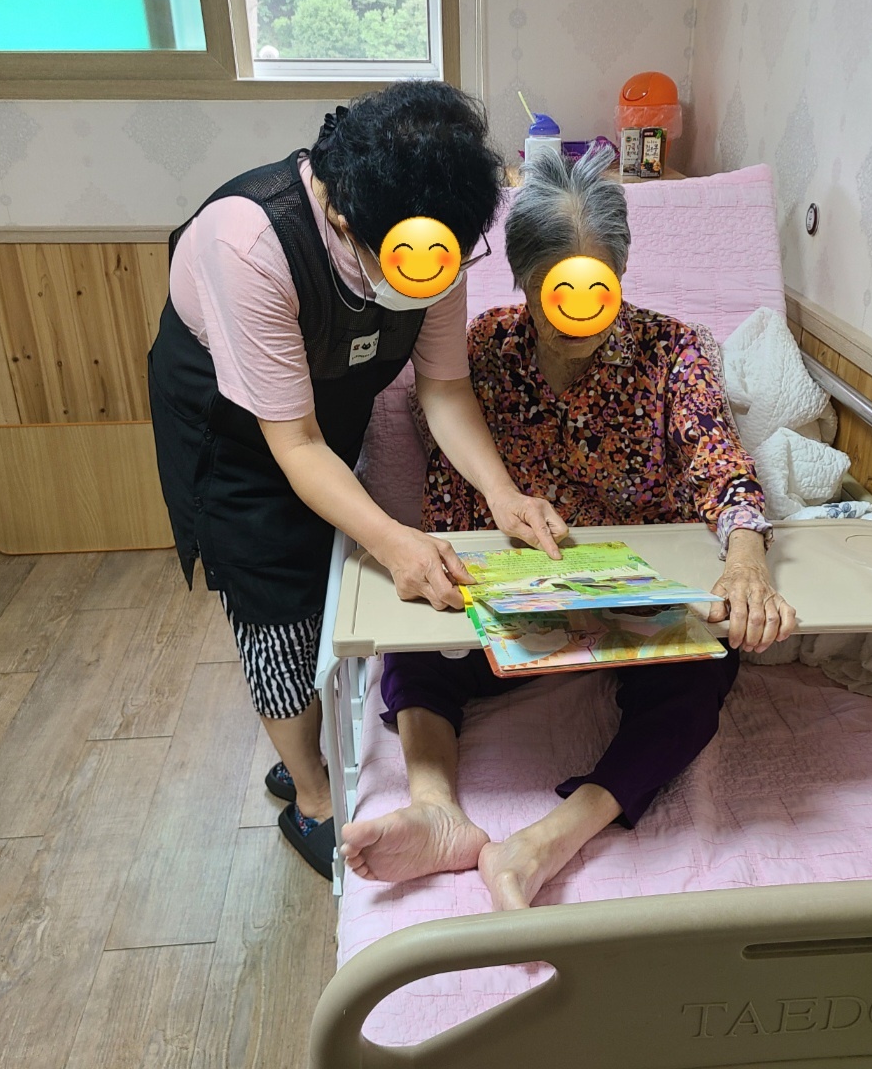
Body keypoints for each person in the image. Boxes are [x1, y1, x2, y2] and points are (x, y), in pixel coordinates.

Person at [340, 146, 797, 908]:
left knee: (703, 671)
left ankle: (545, 842)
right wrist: (464, 585)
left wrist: (746, 560)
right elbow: (454, 489)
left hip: (633, 599)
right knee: (415, 653)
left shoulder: (674, 351)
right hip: (521, 592)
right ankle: (435, 810)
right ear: (523, 281)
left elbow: (722, 467)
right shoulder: (481, 351)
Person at [147, 80, 568, 880]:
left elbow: (443, 388)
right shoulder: (249, 243)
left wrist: (502, 493)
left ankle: (304, 751)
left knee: (336, 572)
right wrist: (393, 539)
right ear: (343, 215)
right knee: (276, 599)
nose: (434, 276)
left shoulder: (431, 242)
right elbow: (296, 443)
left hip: (320, 406)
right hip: (228, 430)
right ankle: (313, 799)